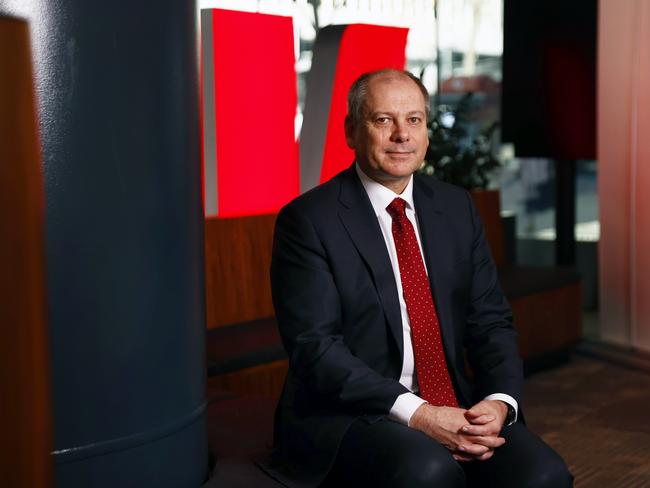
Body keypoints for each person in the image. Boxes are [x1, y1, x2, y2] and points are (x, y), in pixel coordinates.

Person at [265, 69, 572, 487]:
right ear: (352, 132)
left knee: (545, 475)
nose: (401, 135)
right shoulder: (309, 221)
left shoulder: (455, 208)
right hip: (350, 414)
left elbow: (491, 321)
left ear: (427, 131)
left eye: (414, 120)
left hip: (453, 403)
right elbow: (315, 350)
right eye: (383, 120)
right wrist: (420, 414)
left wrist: (499, 403)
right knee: (430, 472)